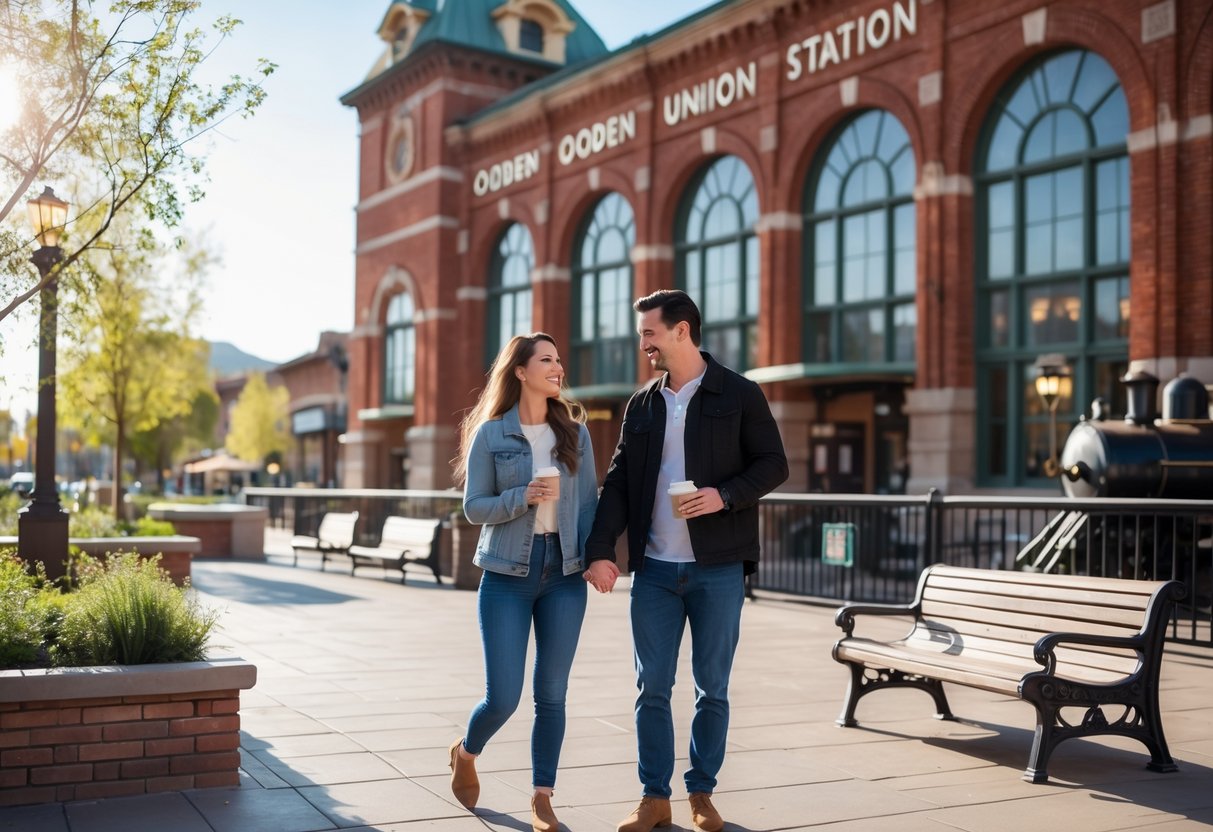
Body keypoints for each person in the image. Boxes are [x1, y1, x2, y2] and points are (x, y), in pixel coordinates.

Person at [584, 290, 788, 832]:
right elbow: (620, 482)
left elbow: (774, 464)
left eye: (650, 332)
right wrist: (601, 551)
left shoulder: (739, 393)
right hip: (653, 570)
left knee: (711, 686)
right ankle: (654, 797)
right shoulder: (643, 404)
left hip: (718, 567)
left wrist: (726, 494)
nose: (643, 342)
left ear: (681, 331)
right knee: (651, 686)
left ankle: (701, 793)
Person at [449, 332, 606, 832]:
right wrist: (523, 495)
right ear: (520, 371)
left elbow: (587, 507)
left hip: (563, 574)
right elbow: (474, 508)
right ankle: (467, 751)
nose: (558, 368)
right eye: (547, 360)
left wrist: (596, 558)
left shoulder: (575, 434)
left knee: (552, 693)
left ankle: (542, 796)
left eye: (559, 360)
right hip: (505, 574)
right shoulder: (491, 434)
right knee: (504, 696)